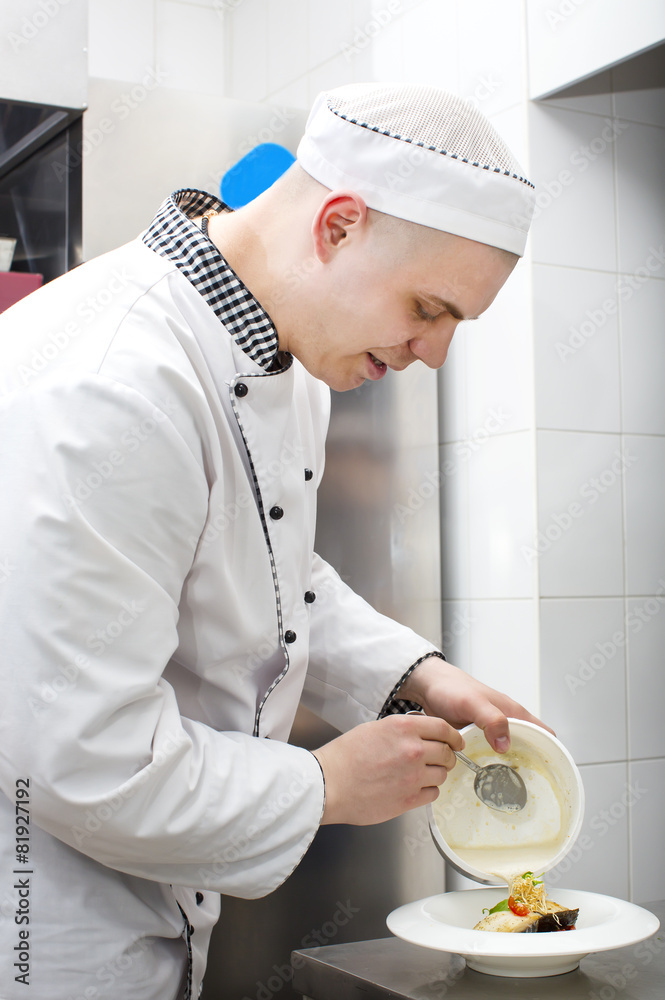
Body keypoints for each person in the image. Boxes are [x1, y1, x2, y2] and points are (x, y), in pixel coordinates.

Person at [0, 82, 544, 999]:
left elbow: (269, 566)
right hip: (44, 929)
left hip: (166, 894)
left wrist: (416, 672)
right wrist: (323, 785)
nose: (432, 353)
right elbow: (78, 757)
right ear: (337, 225)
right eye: (427, 308)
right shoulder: (106, 384)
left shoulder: (285, 358)